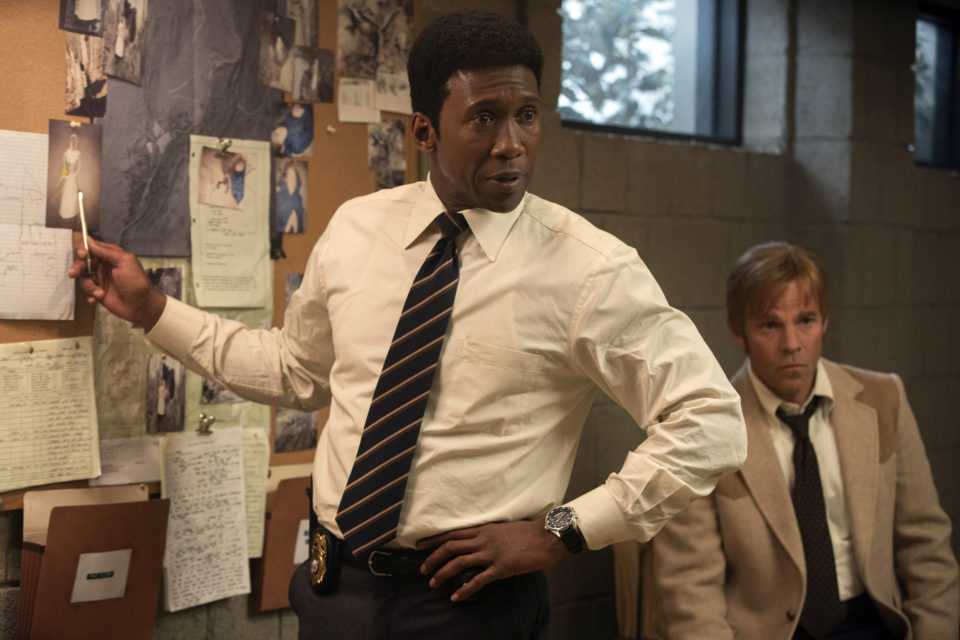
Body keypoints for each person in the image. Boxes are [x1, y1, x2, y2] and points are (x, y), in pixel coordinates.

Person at [70, 11, 746, 639]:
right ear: (424, 132)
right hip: (332, 590)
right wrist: (153, 310)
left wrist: (563, 529)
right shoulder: (358, 230)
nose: (512, 144)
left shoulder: (589, 269)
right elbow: (294, 373)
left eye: (527, 115)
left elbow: (710, 421)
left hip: (468, 604)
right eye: (484, 118)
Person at [649, 242, 959, 640]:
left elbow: (927, 546)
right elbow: (691, 591)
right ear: (739, 333)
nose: (792, 343)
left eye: (806, 320)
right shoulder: (700, 428)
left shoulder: (883, 399)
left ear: (825, 321)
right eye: (770, 325)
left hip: (871, 619)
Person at [59, 134, 81, 221]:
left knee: (73, 194)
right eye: (72, 141)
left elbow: (79, 166)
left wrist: (75, 174)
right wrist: (63, 176)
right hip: (68, 177)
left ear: (76, 142)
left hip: (73, 177)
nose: (73, 143)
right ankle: (66, 212)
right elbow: (65, 167)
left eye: (74, 141)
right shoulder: (66, 153)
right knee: (67, 193)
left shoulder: (77, 153)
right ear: (70, 142)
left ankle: (72, 212)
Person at [276, 163, 304, 233]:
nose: (292, 181)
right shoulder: (279, 198)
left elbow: (301, 226)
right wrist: (287, 227)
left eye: (294, 178)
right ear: (286, 180)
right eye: (290, 177)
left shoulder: (299, 199)